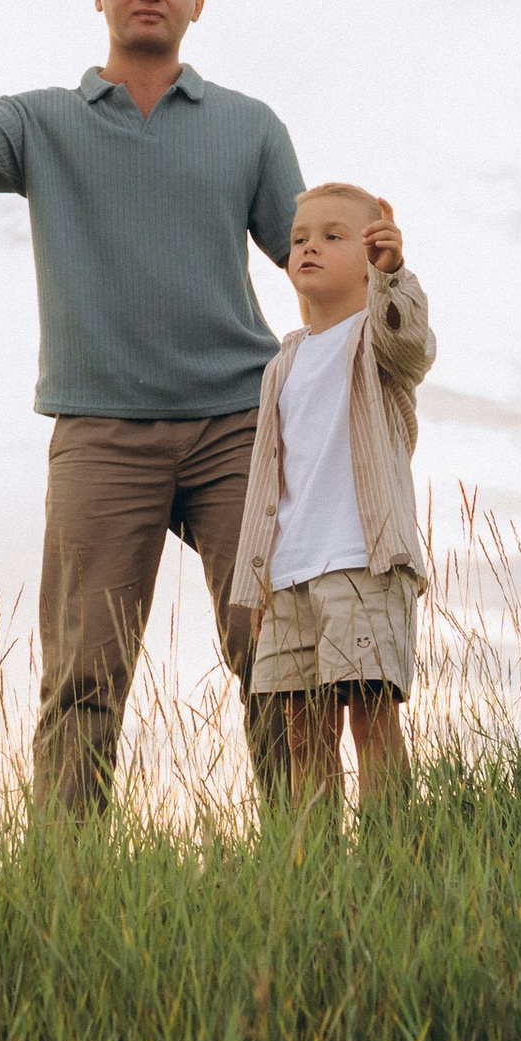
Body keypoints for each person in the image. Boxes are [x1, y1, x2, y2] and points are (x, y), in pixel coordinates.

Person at [0, 0, 303, 812]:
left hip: (237, 426)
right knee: (85, 673)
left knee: (275, 654)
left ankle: (309, 860)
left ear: (198, 4)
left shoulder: (248, 126)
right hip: (101, 435)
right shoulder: (44, 121)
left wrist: (379, 263)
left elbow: (309, 255)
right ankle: (68, 883)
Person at [224, 186, 433, 815]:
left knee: (371, 716)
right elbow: (271, 483)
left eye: (334, 235)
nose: (310, 245)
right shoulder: (281, 363)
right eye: (299, 237)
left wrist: (393, 278)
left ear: (368, 256)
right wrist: (258, 582)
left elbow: (411, 341)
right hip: (289, 576)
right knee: (302, 732)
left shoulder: (375, 339)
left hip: (361, 560)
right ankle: (315, 871)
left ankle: (392, 860)